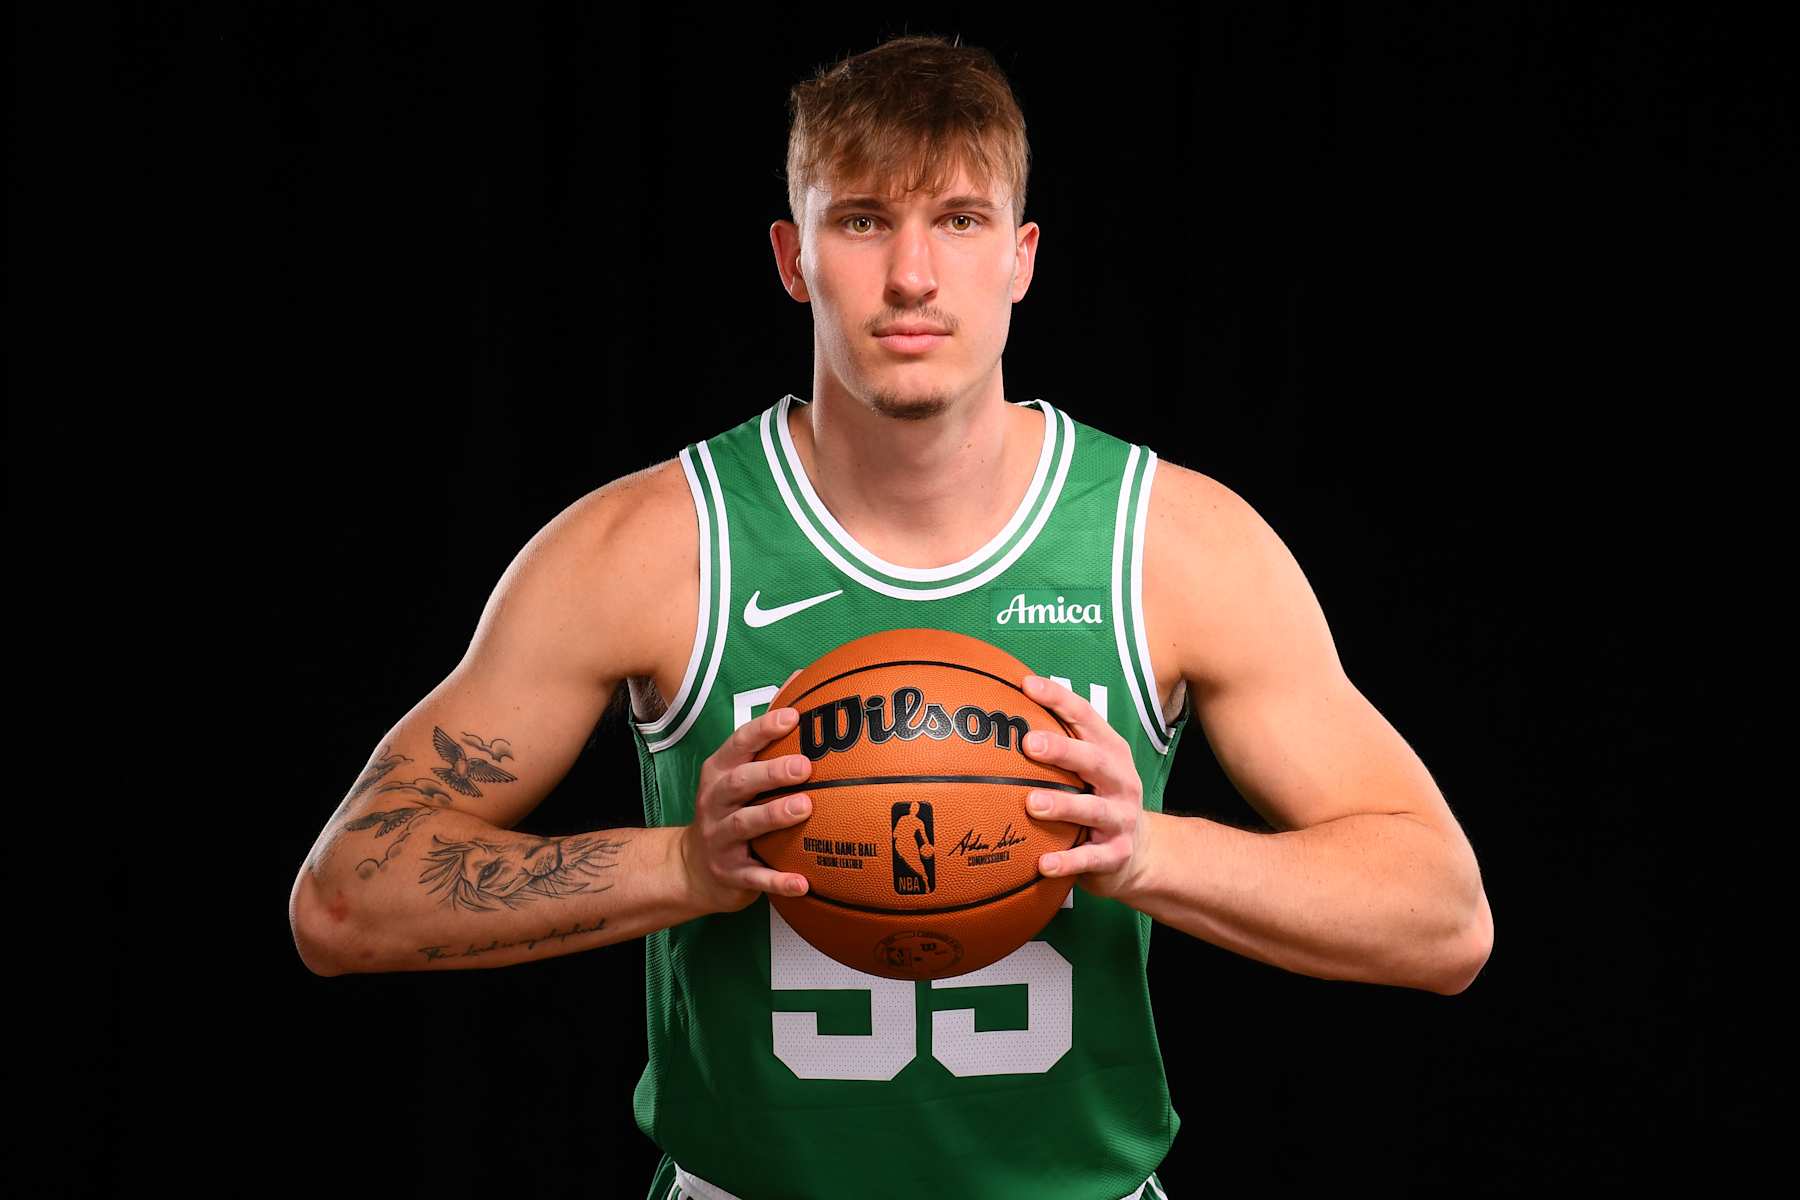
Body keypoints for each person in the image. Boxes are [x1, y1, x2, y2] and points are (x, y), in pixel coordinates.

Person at [289, 33, 1493, 1200]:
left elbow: (1442, 920)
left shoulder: (1174, 545)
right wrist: (682, 866)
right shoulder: (653, 546)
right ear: (792, 256)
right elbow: (345, 901)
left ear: (1022, 256)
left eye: (959, 223)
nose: (912, 275)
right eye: (861, 220)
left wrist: (1144, 849)